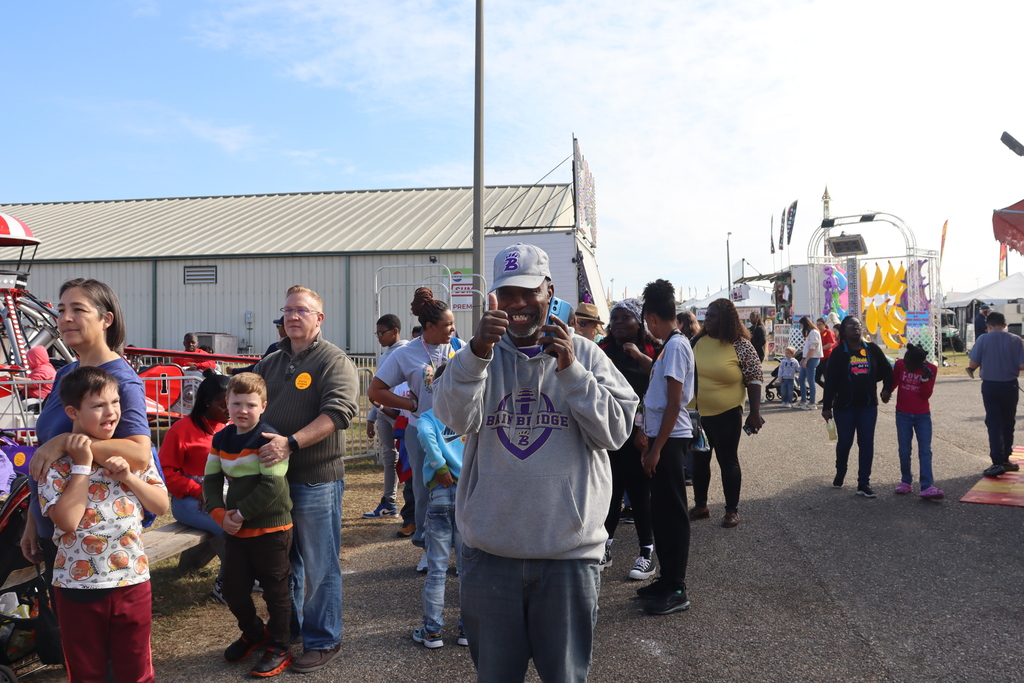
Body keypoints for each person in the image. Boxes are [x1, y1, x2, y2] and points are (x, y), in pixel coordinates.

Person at [434, 243, 638, 682]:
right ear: (495, 299)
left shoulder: (585, 353)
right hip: (491, 556)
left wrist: (571, 371)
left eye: (529, 292)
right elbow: (453, 419)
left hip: (568, 557)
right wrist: (476, 353)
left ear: (549, 291)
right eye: (507, 294)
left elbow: (617, 432)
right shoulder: (477, 356)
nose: (519, 304)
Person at [251, 285, 359, 674]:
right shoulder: (271, 362)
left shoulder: (334, 361)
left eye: (302, 310)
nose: (293, 317)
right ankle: (289, 629)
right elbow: (250, 404)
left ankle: (324, 639)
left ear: (319, 318)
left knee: (319, 565)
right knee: (284, 562)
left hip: (315, 480)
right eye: (288, 310)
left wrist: (290, 443)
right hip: (273, 483)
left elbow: (340, 412)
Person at [39, 366, 168, 683]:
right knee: (86, 673)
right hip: (77, 586)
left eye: (115, 402)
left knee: (136, 670)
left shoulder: (133, 457)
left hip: (131, 580)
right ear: (73, 412)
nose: (111, 412)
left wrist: (127, 478)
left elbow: (162, 505)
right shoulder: (56, 464)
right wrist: (82, 466)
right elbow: (68, 520)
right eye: (98, 406)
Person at [22, 279, 152, 584]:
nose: (65, 318)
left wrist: (66, 442)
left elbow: (139, 453)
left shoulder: (122, 379)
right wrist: (32, 517)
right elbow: (47, 454)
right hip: (54, 527)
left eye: (78, 309)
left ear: (106, 319)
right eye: (62, 309)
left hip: (93, 544)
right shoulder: (66, 374)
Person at [205, 373, 294, 678]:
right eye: (236, 403)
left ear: (263, 406)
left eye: (251, 404)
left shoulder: (270, 438)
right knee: (233, 589)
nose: (243, 410)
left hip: (272, 530)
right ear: (226, 405)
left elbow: (272, 487)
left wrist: (239, 514)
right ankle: (255, 633)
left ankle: (281, 646)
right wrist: (219, 514)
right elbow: (212, 480)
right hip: (236, 529)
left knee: (275, 592)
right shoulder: (221, 439)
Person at [367, 288, 461, 555]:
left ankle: (459, 550)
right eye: (448, 325)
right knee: (425, 492)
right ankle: (427, 547)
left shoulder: (458, 347)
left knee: (461, 491)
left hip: (457, 435)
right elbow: (376, 390)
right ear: (429, 326)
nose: (453, 329)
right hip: (421, 432)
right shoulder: (405, 353)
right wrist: (411, 404)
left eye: (453, 324)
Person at [637, 279, 695, 615]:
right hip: (664, 436)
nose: (648, 327)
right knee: (661, 512)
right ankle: (665, 578)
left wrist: (656, 448)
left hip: (671, 440)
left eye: (646, 322)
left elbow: (674, 404)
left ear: (653, 318)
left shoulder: (674, 346)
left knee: (673, 514)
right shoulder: (670, 345)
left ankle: (677, 587)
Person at [597, 298, 660, 581]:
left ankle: (647, 553)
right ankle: (605, 547)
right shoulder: (602, 350)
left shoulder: (651, 349)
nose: (619, 323)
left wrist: (639, 357)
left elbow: (660, 386)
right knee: (609, 494)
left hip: (638, 435)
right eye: (615, 318)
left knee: (639, 495)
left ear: (639, 322)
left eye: (626, 317)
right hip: (607, 434)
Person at [688, 298, 764, 528]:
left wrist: (754, 412)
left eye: (712, 316)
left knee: (727, 460)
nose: (706, 320)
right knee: (699, 460)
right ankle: (701, 506)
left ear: (726, 319)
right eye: (706, 315)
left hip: (727, 412)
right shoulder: (696, 341)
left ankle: (731, 510)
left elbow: (754, 377)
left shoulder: (740, 344)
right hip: (697, 414)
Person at [160, 370, 231, 601]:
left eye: (232, 402)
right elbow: (167, 473)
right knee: (231, 527)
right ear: (206, 402)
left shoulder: (228, 427)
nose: (229, 409)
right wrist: (197, 489)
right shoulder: (181, 430)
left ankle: (246, 575)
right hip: (190, 500)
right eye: (223, 404)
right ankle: (226, 586)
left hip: (222, 494)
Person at [412, 366, 466, 649]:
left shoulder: (429, 418)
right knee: (467, 569)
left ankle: (432, 630)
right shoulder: (468, 418)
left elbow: (425, 438)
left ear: (433, 388)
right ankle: (466, 629)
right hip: (468, 496)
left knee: (437, 569)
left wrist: (439, 466)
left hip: (441, 495)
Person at [821, 316, 893, 498]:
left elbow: (887, 371)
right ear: (843, 331)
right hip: (844, 406)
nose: (856, 328)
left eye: (858, 325)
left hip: (868, 406)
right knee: (845, 443)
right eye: (851, 325)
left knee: (866, 443)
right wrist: (827, 406)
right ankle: (841, 470)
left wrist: (886, 390)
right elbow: (830, 381)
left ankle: (863, 483)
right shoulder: (839, 353)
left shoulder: (872, 350)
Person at [363, 315, 410, 518]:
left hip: (399, 412)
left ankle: (413, 504)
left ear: (395, 331)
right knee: (389, 458)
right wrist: (372, 416)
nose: (379, 337)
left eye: (383, 333)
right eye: (378, 333)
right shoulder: (386, 354)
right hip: (383, 411)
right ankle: (389, 502)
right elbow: (378, 388)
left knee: (408, 457)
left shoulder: (405, 352)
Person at [967, 311, 1024, 477]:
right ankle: (1006, 459)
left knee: (994, 423)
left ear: (988, 326)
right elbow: (1022, 365)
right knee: (1008, 422)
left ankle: (997, 462)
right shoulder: (1016, 340)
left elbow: (973, 363)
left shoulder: (983, 339)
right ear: (1005, 325)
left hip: (990, 386)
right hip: (1010, 385)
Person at [887, 343, 943, 499]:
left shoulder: (931, 369)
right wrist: (887, 391)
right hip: (903, 414)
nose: (906, 366)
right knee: (904, 450)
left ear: (919, 364)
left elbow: (926, 395)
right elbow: (894, 381)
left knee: (925, 450)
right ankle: (906, 481)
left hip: (922, 415)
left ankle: (927, 485)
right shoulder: (900, 364)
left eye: (909, 365)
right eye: (905, 362)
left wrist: (925, 379)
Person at [797, 316, 823, 409]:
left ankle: (812, 402)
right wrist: (803, 359)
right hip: (808, 358)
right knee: (801, 379)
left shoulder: (813, 333)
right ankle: (803, 400)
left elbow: (813, 348)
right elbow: (809, 348)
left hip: (812, 359)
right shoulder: (811, 333)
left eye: (801, 325)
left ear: (804, 324)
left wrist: (806, 360)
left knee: (810, 380)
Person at [815, 317, 836, 389]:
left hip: (827, 357)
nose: (818, 326)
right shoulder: (818, 333)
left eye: (820, 324)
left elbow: (829, 344)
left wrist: (819, 349)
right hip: (819, 358)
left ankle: (829, 395)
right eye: (817, 325)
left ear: (824, 324)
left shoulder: (828, 332)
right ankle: (829, 391)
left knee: (827, 378)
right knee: (816, 378)